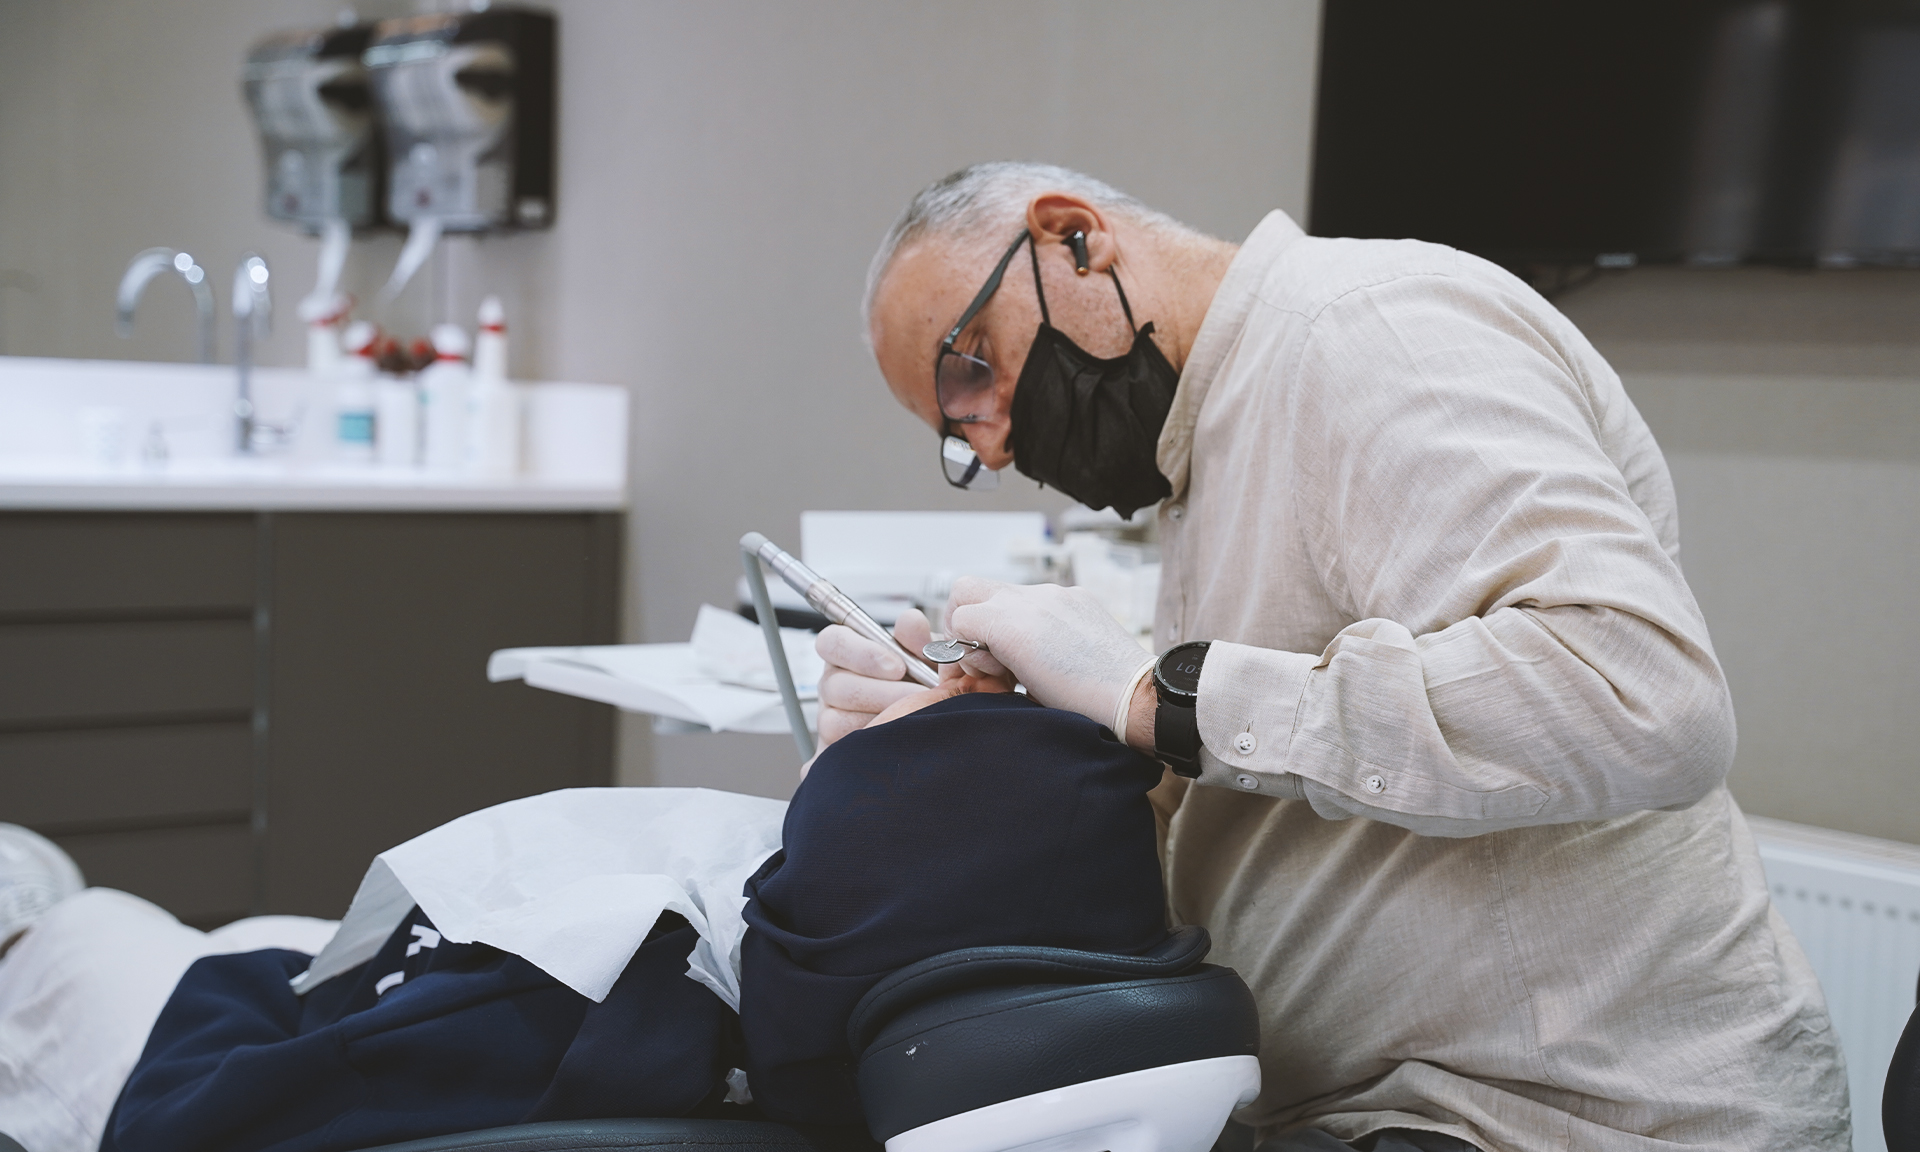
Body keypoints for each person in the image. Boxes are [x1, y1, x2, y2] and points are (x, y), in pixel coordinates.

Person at [821, 161, 1851, 1151]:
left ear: (1073, 239)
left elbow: (1636, 691)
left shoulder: (1366, 331)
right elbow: (1270, 781)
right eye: (962, 435)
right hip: (1395, 1112)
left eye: (974, 369)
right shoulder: (1211, 447)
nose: (993, 442)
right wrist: (963, 751)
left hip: (1575, 1119)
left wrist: (1154, 694)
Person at [0, 678, 1170, 1152]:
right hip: (379, 1004)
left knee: (54, 893)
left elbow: (212, 1110)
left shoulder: (636, 994)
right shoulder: (1041, 955)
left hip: (159, 1044)